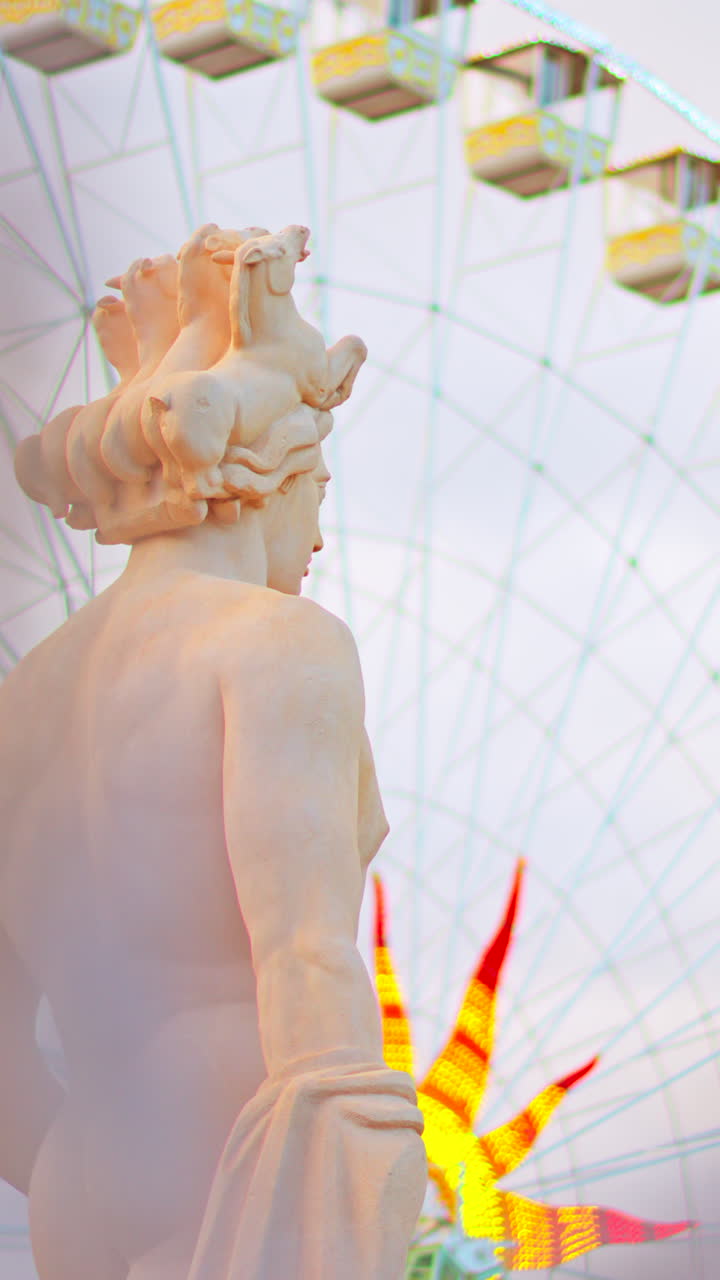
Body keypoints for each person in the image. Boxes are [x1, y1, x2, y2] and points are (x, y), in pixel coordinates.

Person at [0, 225, 427, 1280]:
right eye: (317, 491)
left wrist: (89, 1142)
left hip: (78, 1165)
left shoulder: (25, 697)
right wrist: (362, 1170)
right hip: (242, 1142)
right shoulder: (277, 644)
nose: (316, 539)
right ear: (270, 471)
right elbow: (305, 949)